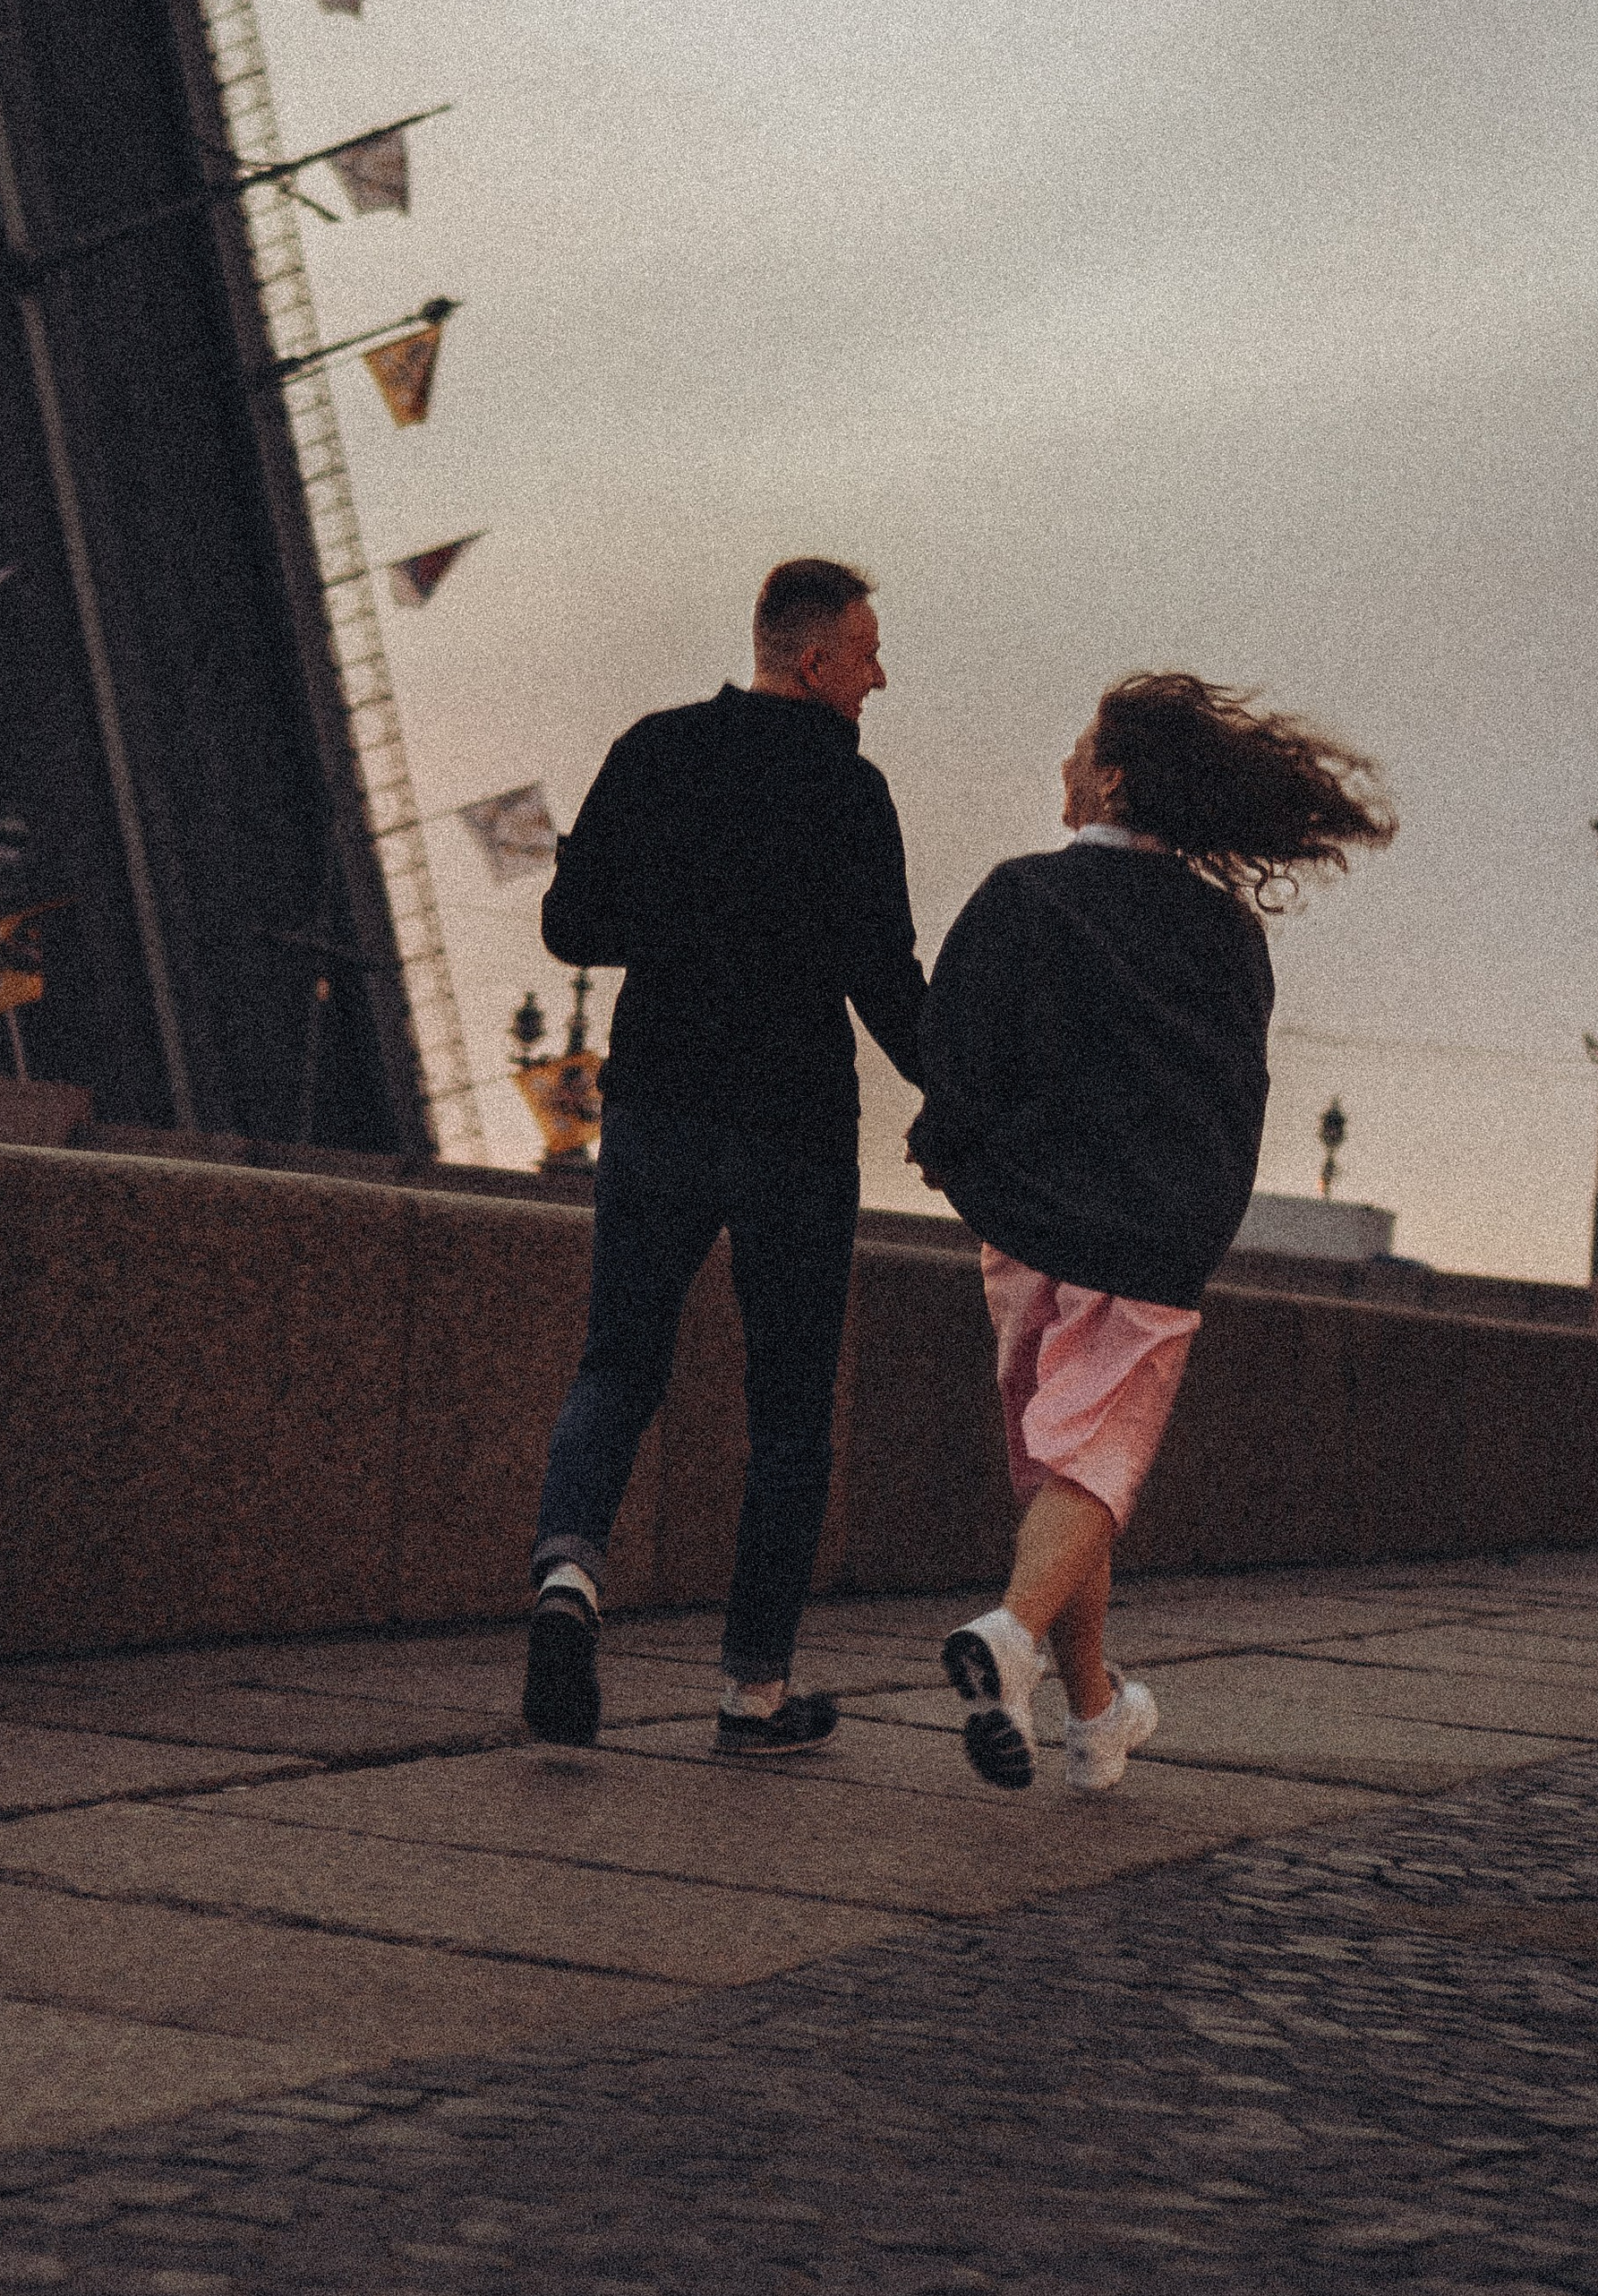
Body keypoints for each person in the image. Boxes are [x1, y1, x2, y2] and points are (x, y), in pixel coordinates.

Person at [909, 672, 1396, 1795]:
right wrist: (1198, 1223)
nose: (1064, 765)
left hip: (1024, 1232)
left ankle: (1093, 1717)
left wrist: (956, 1159)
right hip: (1150, 1240)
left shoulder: (1020, 895)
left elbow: (955, 1050)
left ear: (1114, 777)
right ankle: (1010, 1638)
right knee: (1095, 1467)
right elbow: (1238, 1095)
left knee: (1060, 1478)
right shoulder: (1225, 933)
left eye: (1079, 747)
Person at [524, 559, 930, 1754]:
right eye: (865, 653)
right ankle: (753, 1694)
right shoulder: (853, 797)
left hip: (656, 1104)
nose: (879, 675)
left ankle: (566, 1582)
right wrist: (971, 1107)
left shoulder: (655, 750)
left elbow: (570, 927)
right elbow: (891, 990)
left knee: (617, 1366)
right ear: (813, 662)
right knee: (792, 1417)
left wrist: (682, 915)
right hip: (794, 1128)